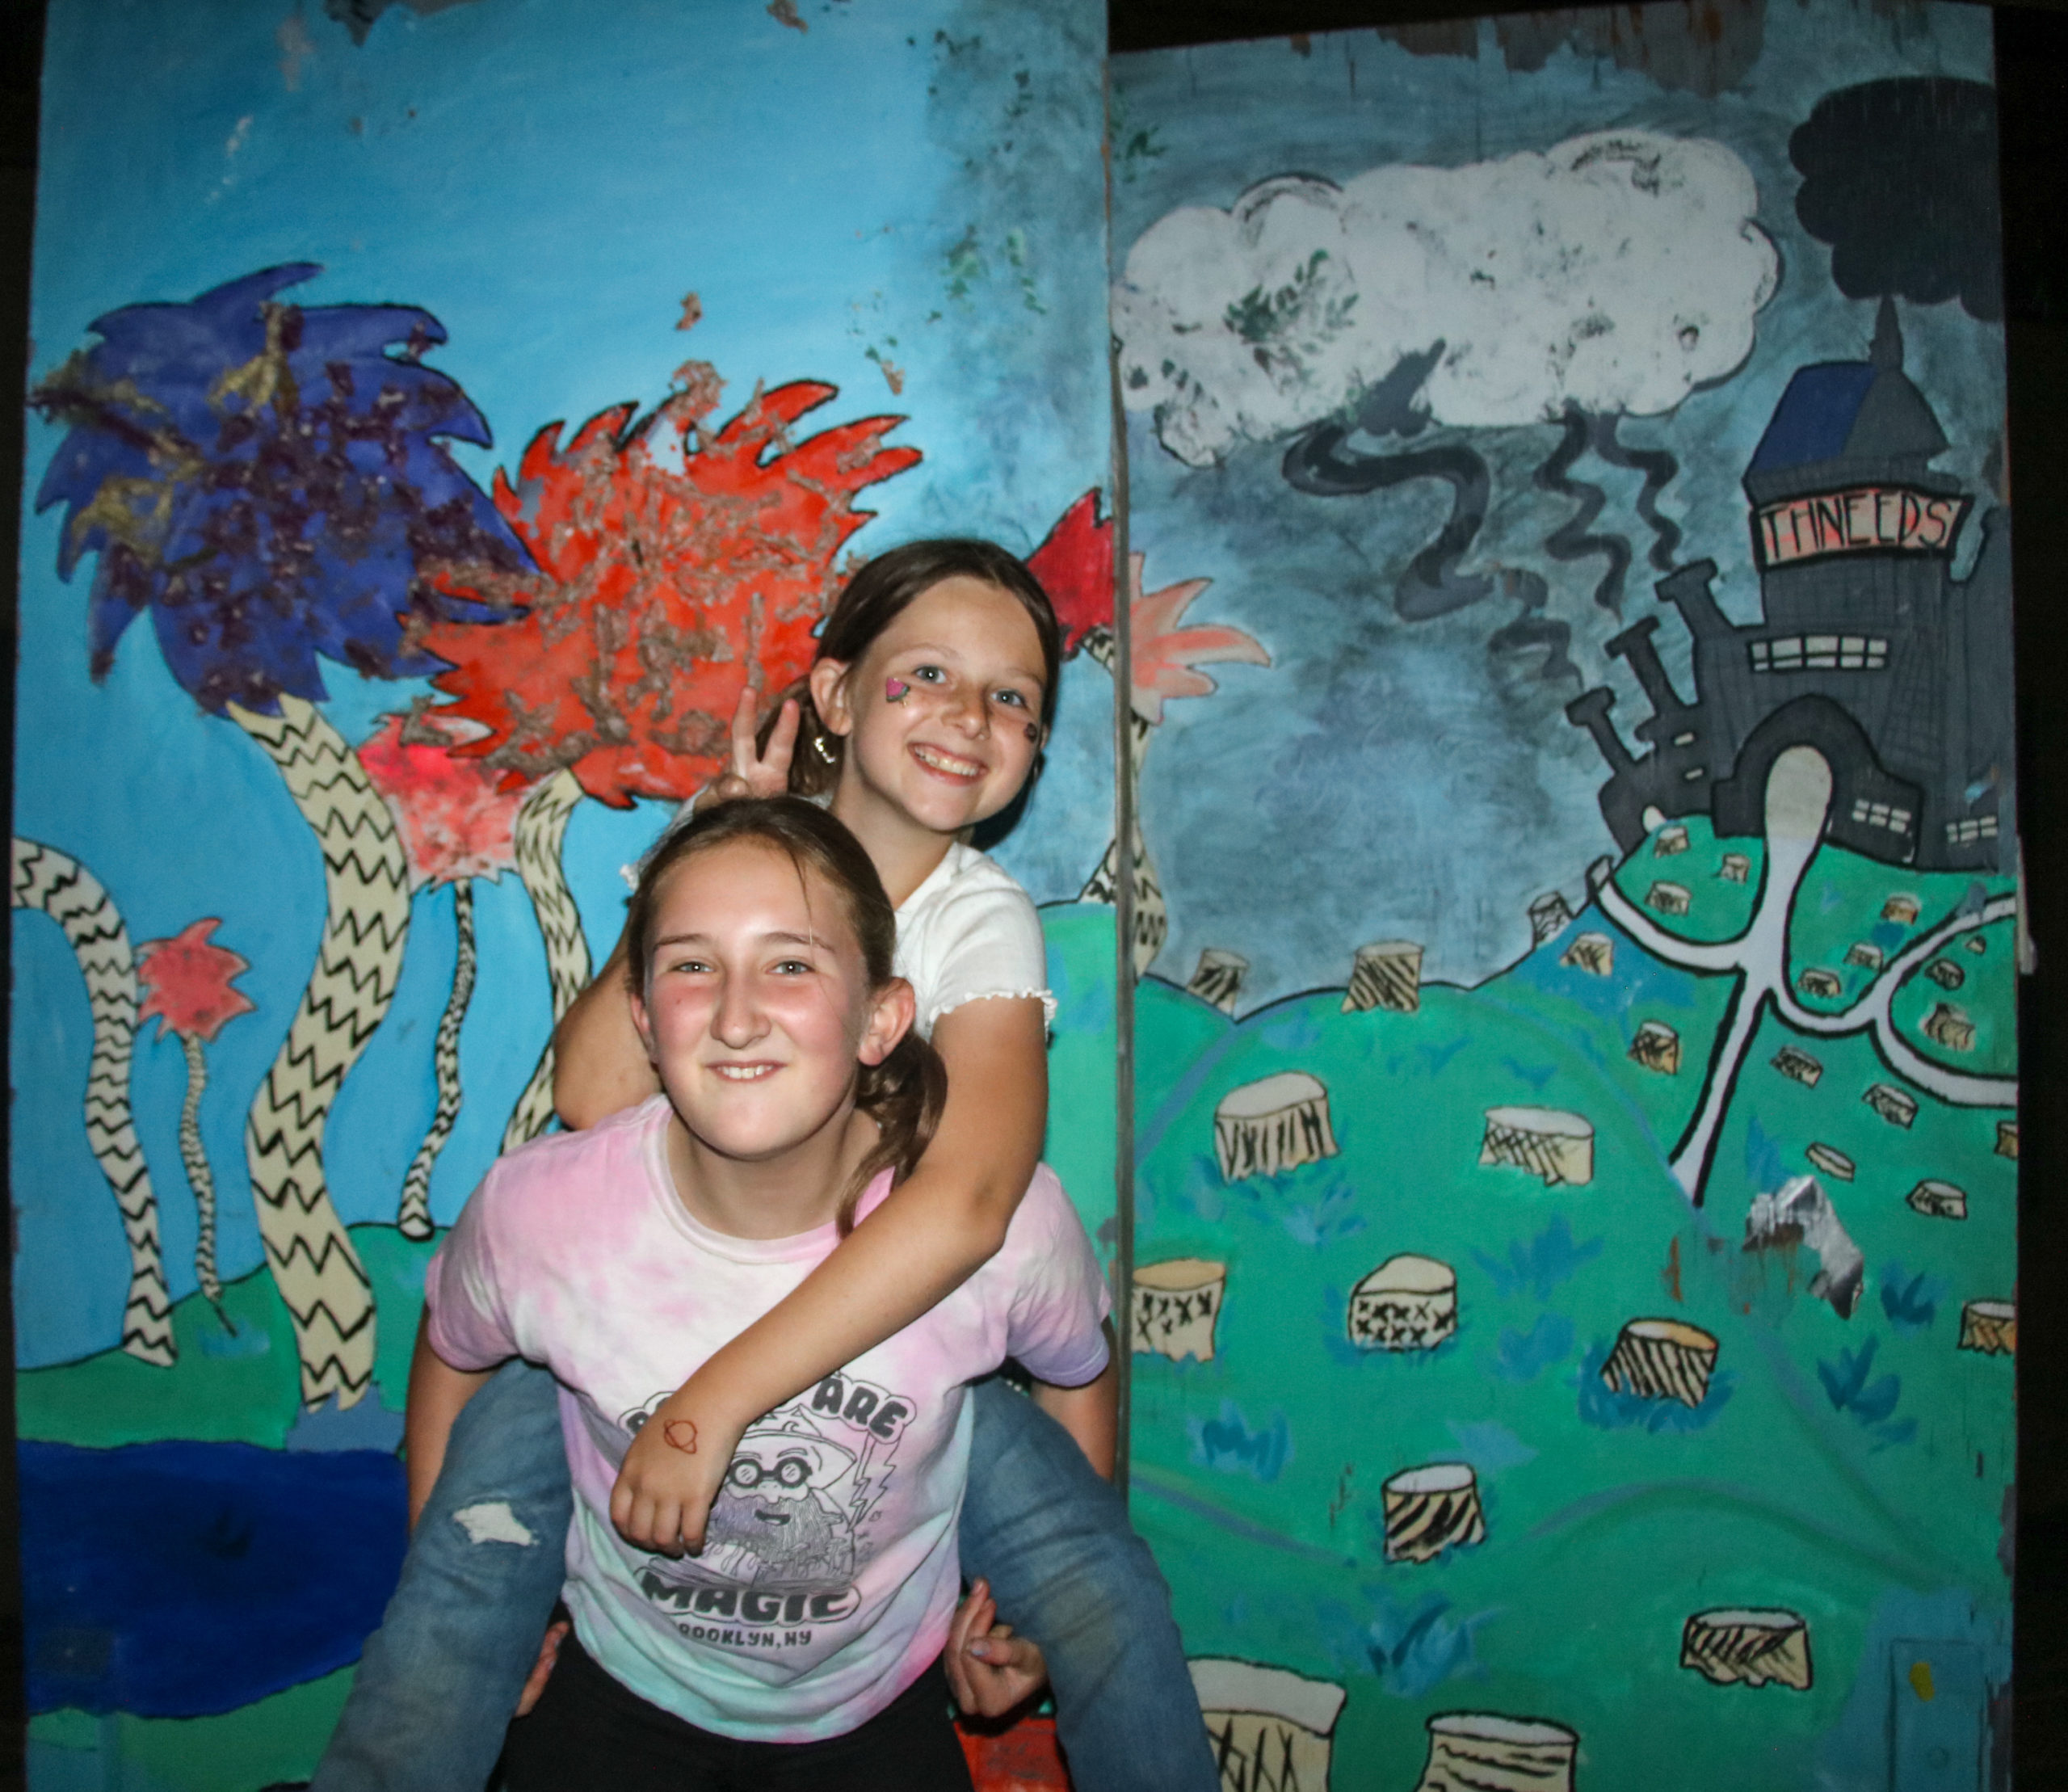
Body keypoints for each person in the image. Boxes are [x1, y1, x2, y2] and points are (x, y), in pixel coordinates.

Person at [314, 540, 1217, 1791]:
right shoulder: (731, 870)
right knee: (451, 1602)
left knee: (1103, 1589)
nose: (968, 714)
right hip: (645, 1300)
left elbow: (969, 1204)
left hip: (893, 1320)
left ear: (883, 1012)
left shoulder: (978, 916)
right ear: (836, 695)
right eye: (928, 673)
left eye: (1011, 696)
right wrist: (709, 840)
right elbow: (593, 1092)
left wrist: (715, 1402)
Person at [413, 797, 1115, 1788]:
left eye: (789, 965)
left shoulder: (1007, 1231)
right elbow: (449, 1353)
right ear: (644, 1018)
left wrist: (1045, 1613)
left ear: (881, 1019)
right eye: (693, 967)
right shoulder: (540, 1215)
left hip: (877, 1709)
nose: (737, 1016)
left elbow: (1079, 1371)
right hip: (617, 1692)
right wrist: (477, 1604)